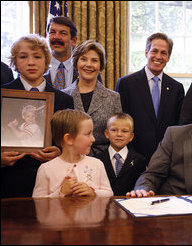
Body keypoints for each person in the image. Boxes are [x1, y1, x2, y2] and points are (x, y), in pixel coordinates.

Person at [1, 34, 74, 198]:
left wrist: (60, 152)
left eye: (37, 56)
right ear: (14, 62)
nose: (31, 62)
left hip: (52, 184)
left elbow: (70, 141)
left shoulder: (64, 99)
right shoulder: (3, 96)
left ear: (47, 61)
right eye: (23, 57)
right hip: (9, 183)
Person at [116, 33, 185, 164]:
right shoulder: (126, 84)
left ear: (168, 57)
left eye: (163, 53)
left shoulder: (177, 88)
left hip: (166, 158)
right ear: (146, 52)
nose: (158, 56)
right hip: (133, 158)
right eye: (154, 51)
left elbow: (178, 126)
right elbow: (121, 121)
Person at [32, 109, 113, 197]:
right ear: (69, 139)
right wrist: (61, 193)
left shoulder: (97, 164)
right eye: (88, 134)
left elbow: (109, 193)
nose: (93, 139)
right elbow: (38, 203)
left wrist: (93, 193)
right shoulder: (46, 169)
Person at [62, 40, 122, 156]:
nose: (88, 64)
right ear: (76, 63)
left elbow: (117, 135)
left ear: (100, 65)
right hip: (70, 159)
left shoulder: (114, 97)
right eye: (83, 59)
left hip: (104, 161)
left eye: (94, 60)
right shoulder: (63, 96)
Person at [94, 113, 146, 196]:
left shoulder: (139, 160)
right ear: (107, 134)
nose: (119, 134)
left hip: (130, 204)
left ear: (131, 136)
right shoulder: (97, 160)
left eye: (124, 131)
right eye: (114, 130)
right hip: (103, 205)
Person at [44, 16, 101, 89]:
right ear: (47, 36)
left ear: (74, 40)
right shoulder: (38, 66)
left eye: (63, 33)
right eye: (52, 32)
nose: (56, 37)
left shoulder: (88, 68)